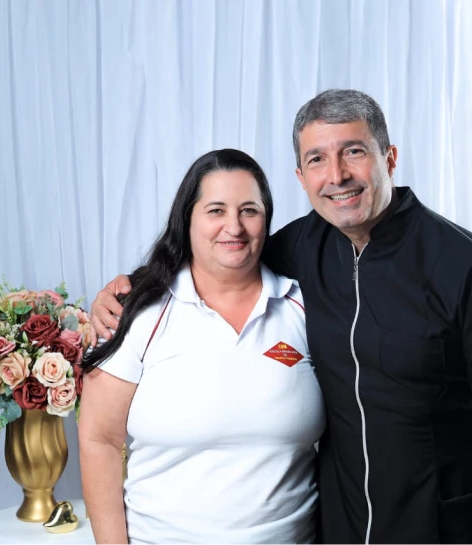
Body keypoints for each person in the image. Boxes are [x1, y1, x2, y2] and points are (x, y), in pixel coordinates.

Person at [91, 90, 472, 545]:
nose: (337, 175)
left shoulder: (469, 268)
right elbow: (222, 255)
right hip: (337, 531)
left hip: (441, 529)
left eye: (354, 152)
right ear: (301, 176)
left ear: (389, 158)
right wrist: (128, 290)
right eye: (317, 160)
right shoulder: (297, 252)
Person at [78, 149, 325, 545]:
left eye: (249, 210)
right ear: (187, 219)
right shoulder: (136, 311)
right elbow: (99, 440)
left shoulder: (304, 306)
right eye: (216, 211)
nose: (234, 227)